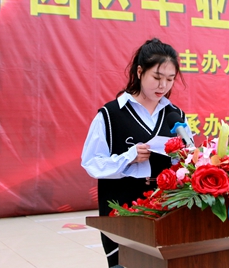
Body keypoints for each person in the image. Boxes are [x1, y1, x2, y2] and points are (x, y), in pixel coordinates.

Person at [81, 38, 193, 268]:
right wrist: (128, 157)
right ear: (140, 72)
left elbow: (189, 159)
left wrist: (187, 158)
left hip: (166, 210)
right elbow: (91, 162)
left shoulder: (176, 116)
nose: (163, 86)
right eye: (157, 77)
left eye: (170, 79)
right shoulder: (111, 114)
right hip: (123, 211)